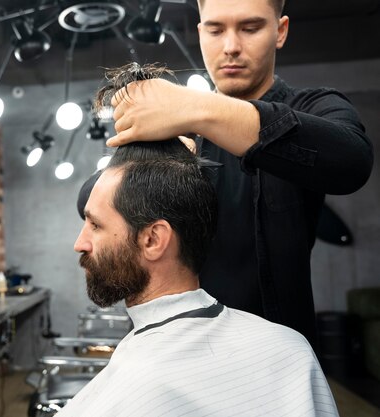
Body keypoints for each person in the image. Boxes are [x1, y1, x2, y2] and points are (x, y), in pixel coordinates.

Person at [103, 0, 374, 346]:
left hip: (277, 356)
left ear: (280, 31)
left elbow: (352, 161)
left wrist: (195, 108)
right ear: (200, 34)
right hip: (175, 351)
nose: (230, 47)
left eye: (250, 28)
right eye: (215, 30)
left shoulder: (315, 107)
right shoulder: (174, 132)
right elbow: (93, 201)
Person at [60, 139, 337, 417]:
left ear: (153, 239)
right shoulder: (290, 349)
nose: (79, 243)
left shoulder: (135, 386)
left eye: (95, 225)